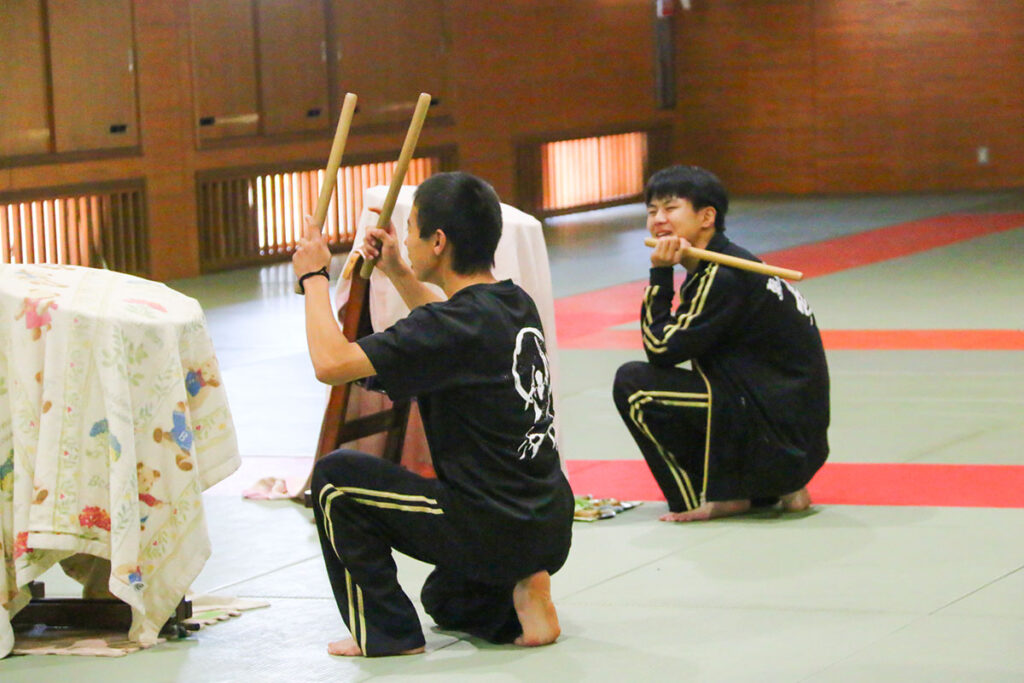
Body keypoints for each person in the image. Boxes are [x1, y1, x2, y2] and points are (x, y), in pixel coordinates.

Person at [291, 171, 573, 657]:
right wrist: (399, 271)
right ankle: (525, 591)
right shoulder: (512, 303)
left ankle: (387, 635)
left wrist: (314, 277)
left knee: (336, 480)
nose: (408, 239)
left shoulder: (449, 326)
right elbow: (447, 328)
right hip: (548, 522)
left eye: (412, 229)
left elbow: (331, 364)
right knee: (445, 598)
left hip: (495, 525)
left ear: (438, 242)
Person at [612, 165, 830, 522]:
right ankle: (773, 484)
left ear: (707, 217)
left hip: (775, 430)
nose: (658, 220)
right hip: (794, 431)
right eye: (652, 211)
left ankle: (700, 498)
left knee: (634, 385)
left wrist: (660, 274)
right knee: (711, 377)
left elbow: (660, 349)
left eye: (670, 208)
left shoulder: (722, 276)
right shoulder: (735, 263)